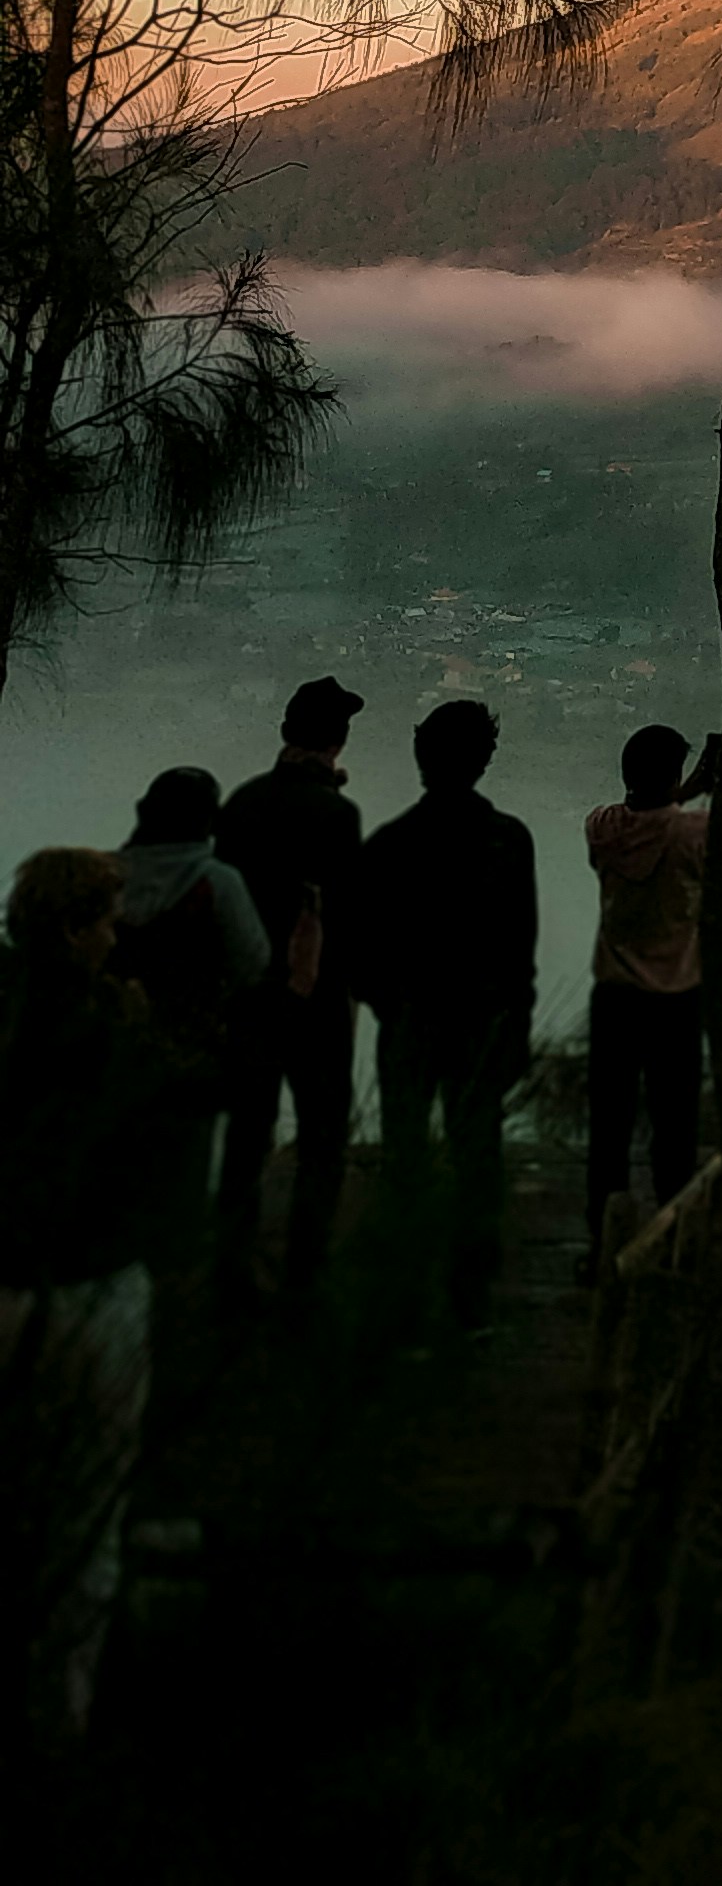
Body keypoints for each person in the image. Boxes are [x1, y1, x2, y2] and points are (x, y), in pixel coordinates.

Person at [0, 849, 179, 1742]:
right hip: (90, 1285)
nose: (118, 935)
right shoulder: (111, 1031)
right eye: (106, 921)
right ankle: (57, 1723)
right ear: (76, 932)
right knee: (87, 1513)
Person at [352, 699, 537, 1331]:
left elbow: (362, 952)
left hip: (411, 1023)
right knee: (478, 1159)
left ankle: (403, 1301)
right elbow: (521, 951)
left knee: (406, 1164)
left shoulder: (390, 844)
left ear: (420, 756)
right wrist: (516, 1028)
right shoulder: (507, 841)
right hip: (482, 1024)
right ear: (484, 761)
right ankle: (470, 1300)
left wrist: (392, 1006)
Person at [214, 674, 366, 1306]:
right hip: (318, 999)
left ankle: (230, 1273)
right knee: (321, 1140)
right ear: (338, 742)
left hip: (248, 995)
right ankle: (305, 1276)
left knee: (247, 1138)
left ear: (285, 734)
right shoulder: (336, 813)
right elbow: (346, 914)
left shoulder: (243, 803)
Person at [583, 725, 722, 1269]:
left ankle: (603, 1242)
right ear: (675, 776)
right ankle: (673, 1242)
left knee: (610, 1127)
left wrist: (686, 787)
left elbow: (646, 814)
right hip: (676, 1001)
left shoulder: (602, 827)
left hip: (615, 999)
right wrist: (710, 790)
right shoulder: (697, 834)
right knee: (675, 1131)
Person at [109, 767, 270, 1268]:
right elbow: (253, 962)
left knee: (121, 1173)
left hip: (116, 1051)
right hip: (193, 1051)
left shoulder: (109, 876)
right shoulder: (216, 881)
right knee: (184, 1175)